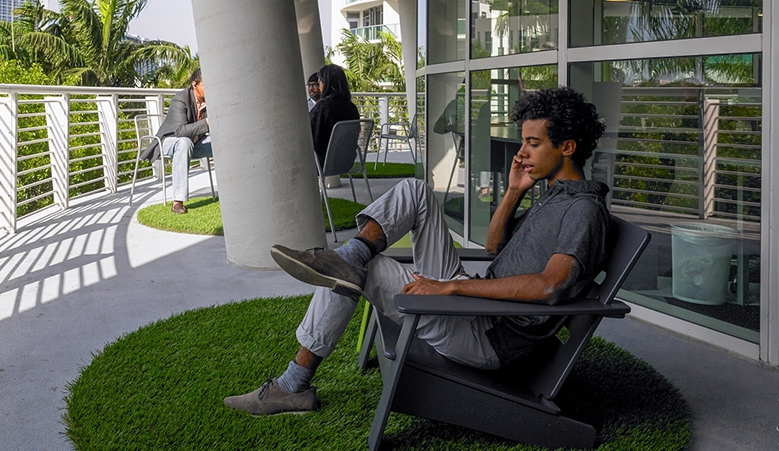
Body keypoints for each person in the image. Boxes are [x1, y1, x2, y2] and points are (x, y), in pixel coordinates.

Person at [224, 86, 609, 415]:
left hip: (488, 334)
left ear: (567, 147)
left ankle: (294, 384)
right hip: (479, 309)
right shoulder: (554, 197)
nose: (521, 152)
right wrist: (512, 192)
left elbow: (549, 286)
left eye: (533, 143)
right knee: (414, 191)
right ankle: (350, 255)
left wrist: (450, 289)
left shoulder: (582, 210)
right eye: (523, 141)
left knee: (365, 272)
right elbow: (495, 246)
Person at [139, 68, 210, 214]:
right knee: (184, 142)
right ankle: (178, 201)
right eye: (205, 84)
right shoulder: (180, 98)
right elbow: (180, 131)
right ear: (194, 84)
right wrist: (207, 122)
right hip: (168, 141)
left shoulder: (210, 101)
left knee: (220, 141)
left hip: (194, 143)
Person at [309, 64, 359, 163]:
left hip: (324, 161)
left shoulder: (323, 107)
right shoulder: (352, 108)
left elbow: (314, 140)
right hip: (346, 160)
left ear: (325, 83)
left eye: (319, 82)